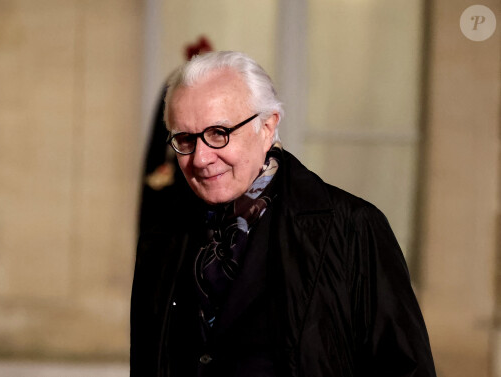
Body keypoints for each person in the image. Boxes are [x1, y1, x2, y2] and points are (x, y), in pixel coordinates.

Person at [131, 51, 436, 377]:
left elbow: (405, 369)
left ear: (267, 126)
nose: (201, 157)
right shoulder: (160, 237)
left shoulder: (353, 228)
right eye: (185, 139)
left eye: (219, 133)